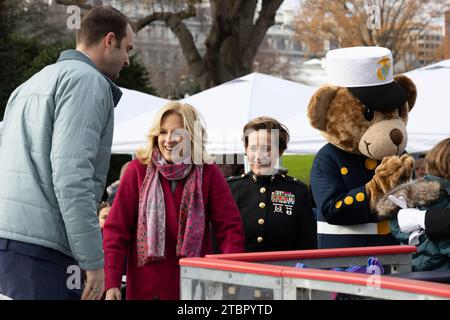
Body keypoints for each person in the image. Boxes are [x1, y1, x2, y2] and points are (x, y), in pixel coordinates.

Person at [0, 6, 134, 300]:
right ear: (109, 40)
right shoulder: (87, 82)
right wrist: (93, 262)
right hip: (42, 252)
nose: (127, 59)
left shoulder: (29, 84)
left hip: (11, 243)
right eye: (127, 48)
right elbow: (72, 177)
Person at [102, 102, 245, 300]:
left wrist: (231, 275)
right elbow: (116, 230)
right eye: (163, 132)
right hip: (146, 288)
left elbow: (230, 229)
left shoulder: (209, 173)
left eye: (177, 132)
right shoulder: (137, 171)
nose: (169, 140)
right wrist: (112, 282)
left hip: (194, 287)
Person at [227, 117, 317, 252]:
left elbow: (307, 246)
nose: (258, 157)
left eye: (266, 149)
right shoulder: (230, 189)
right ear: (246, 150)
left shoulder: (297, 191)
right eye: (253, 148)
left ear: (279, 151)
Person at [378, 138, 450, 271]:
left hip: (422, 276)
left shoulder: (413, 197)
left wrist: (423, 222)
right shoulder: (441, 197)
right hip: (440, 279)